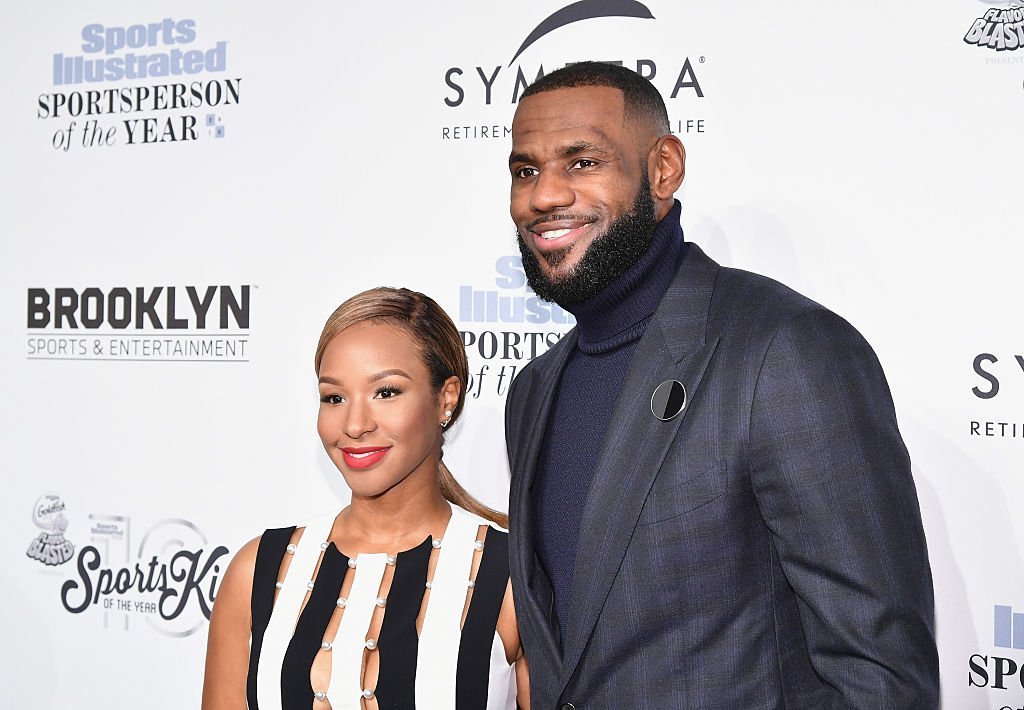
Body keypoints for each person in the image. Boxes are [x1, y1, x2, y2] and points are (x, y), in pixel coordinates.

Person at [503, 62, 939, 708]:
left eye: (582, 162)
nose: (544, 196)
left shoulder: (783, 350)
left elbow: (881, 676)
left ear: (664, 168)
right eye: (526, 171)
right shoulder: (533, 390)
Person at [203, 287, 529, 710]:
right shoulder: (257, 570)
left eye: (386, 392)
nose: (354, 424)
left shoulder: (512, 577)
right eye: (334, 398)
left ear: (446, 398)